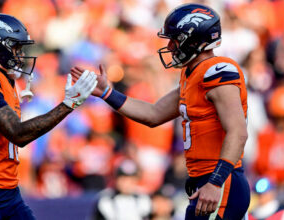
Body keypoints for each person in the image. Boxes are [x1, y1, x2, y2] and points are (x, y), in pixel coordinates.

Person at [72, 3, 250, 219]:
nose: (170, 46)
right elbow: (153, 114)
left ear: (194, 40)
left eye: (175, 39)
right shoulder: (192, 75)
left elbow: (238, 131)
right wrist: (107, 93)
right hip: (206, 182)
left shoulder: (217, 71)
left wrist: (215, 182)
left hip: (221, 182)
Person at [0, 13, 97, 219]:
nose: (20, 55)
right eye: (15, 48)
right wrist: (69, 104)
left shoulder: (4, 79)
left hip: (9, 191)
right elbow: (17, 133)